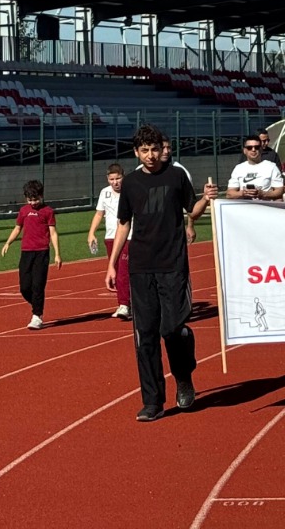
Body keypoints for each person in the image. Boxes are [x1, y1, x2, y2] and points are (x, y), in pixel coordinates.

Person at [107, 123, 216, 422]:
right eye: (145, 150)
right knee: (145, 337)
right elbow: (123, 224)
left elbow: (191, 211)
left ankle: (183, 375)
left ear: (163, 149)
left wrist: (206, 198)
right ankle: (153, 401)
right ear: (136, 152)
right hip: (141, 266)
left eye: (155, 149)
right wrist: (113, 263)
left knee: (173, 329)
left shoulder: (176, 176)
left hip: (173, 264)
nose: (151, 155)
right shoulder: (129, 183)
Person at [2, 179, 60, 330]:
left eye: (36, 199)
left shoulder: (48, 211)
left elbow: (53, 233)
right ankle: (36, 304)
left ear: (42, 196)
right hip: (26, 252)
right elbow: (17, 228)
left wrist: (57, 254)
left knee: (38, 285)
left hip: (42, 252)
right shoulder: (23, 211)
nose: (33, 202)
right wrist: (8, 242)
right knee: (25, 287)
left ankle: (37, 316)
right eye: (30, 200)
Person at [86, 163, 129, 319]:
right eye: (112, 179)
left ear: (123, 177)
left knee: (124, 270)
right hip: (110, 236)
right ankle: (122, 303)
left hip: (128, 236)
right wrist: (91, 233)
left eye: (118, 178)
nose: (115, 182)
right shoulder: (105, 193)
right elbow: (99, 214)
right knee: (115, 271)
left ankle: (125, 304)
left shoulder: (130, 191)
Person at [226, 134, 285, 200]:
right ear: (244, 151)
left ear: (261, 149)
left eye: (256, 147)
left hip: (264, 207)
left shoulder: (271, 167)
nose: (253, 150)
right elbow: (229, 194)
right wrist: (243, 193)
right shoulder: (238, 168)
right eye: (249, 147)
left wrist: (263, 194)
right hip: (244, 207)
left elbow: (279, 191)